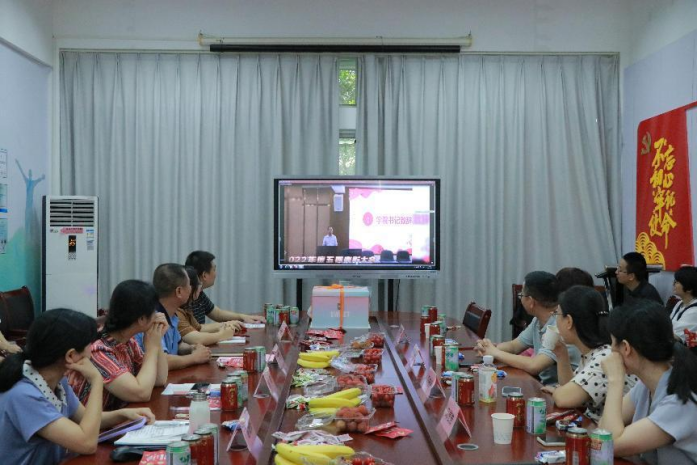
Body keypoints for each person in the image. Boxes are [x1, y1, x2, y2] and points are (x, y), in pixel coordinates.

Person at [0, 309, 155, 465]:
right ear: (70, 355)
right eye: (89, 344)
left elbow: (86, 419)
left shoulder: (57, 381)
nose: (91, 350)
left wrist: (123, 414)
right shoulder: (23, 395)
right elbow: (87, 443)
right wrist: (96, 380)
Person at [599, 301, 696, 463]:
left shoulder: (680, 401)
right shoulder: (647, 384)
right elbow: (604, 427)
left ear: (626, 348)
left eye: (613, 343)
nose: (611, 350)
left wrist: (615, 380)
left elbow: (609, 443)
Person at [68, 280, 169, 410]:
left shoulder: (128, 341)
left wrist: (157, 339)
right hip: (92, 421)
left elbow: (159, 379)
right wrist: (152, 348)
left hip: (116, 417)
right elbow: (141, 393)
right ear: (142, 319)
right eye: (154, 311)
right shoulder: (98, 349)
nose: (157, 315)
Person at [542, 286, 637, 422]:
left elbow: (564, 398)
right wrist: (561, 354)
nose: (555, 319)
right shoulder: (593, 352)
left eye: (557, 314)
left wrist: (559, 392)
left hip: (605, 431)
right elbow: (570, 388)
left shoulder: (604, 358)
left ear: (569, 321)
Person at [475, 271, 581, 385]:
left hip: (563, 390)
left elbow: (534, 365)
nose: (520, 298)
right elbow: (515, 346)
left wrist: (495, 352)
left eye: (522, 295)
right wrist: (487, 348)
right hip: (546, 386)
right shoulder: (538, 320)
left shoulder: (560, 325)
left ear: (531, 301)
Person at [135, 264, 211, 370]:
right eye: (189, 284)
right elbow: (162, 361)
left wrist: (192, 348)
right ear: (179, 291)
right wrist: (194, 358)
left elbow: (178, 345)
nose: (191, 288)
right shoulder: (153, 317)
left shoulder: (172, 314)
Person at [183, 251, 265, 325]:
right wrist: (224, 327)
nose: (215, 274)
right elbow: (192, 331)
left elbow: (217, 314)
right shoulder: (184, 299)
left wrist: (242, 317)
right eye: (214, 269)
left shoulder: (199, 294)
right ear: (204, 275)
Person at [176, 267, 240, 346]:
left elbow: (199, 328)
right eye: (198, 284)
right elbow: (195, 339)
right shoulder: (176, 311)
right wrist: (222, 335)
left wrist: (224, 325)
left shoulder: (186, 307)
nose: (200, 288)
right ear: (179, 290)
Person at [669, 266, 697, 343]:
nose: (673, 284)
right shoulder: (680, 303)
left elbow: (676, 336)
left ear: (689, 289)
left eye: (677, 282)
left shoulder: (694, 311)